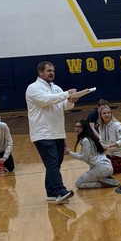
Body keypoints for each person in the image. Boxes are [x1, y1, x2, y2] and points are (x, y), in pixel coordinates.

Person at [25, 60, 81, 204]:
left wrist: (71, 100)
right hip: (42, 133)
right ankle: (60, 190)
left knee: (56, 164)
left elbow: (64, 107)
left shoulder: (56, 88)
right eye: (49, 70)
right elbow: (45, 100)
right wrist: (66, 94)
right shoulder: (33, 88)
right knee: (52, 163)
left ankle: (51, 193)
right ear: (40, 73)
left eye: (53, 71)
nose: (52, 73)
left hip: (57, 132)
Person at [67, 119, 117, 189]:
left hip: (102, 168)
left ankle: (103, 184)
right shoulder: (88, 138)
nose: (77, 129)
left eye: (79, 127)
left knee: (78, 183)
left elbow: (84, 158)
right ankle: (104, 179)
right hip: (106, 167)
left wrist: (69, 153)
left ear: (84, 128)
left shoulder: (86, 140)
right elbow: (84, 155)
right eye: (75, 127)